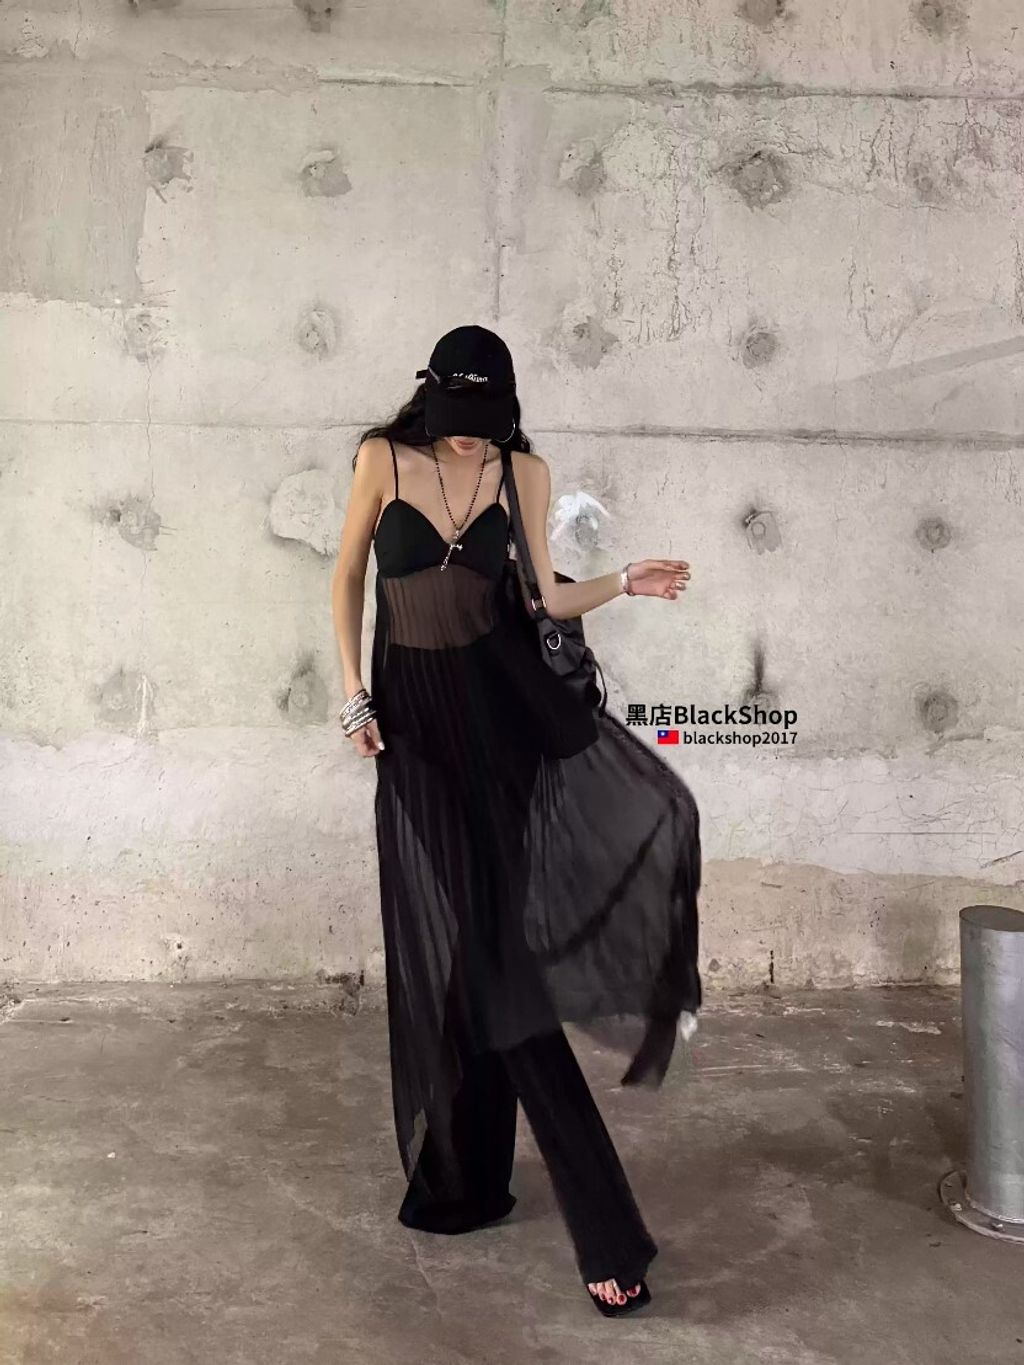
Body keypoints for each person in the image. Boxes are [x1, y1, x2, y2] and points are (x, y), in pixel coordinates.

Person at [330, 324, 702, 1319]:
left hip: (500, 730)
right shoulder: (381, 460)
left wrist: (625, 583)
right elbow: (346, 577)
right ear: (431, 401)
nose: (469, 438)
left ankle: (563, 1214)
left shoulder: (520, 473)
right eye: (457, 420)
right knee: (479, 955)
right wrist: (354, 693)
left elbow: (545, 597)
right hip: (413, 733)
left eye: (484, 422)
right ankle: (474, 1178)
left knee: (495, 962)